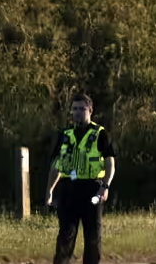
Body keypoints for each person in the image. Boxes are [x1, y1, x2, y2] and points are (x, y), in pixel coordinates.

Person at [46, 93, 116, 264]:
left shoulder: (100, 133)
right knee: (65, 235)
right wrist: (49, 190)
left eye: (82, 109)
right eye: (74, 109)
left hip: (92, 188)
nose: (77, 112)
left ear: (90, 110)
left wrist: (105, 187)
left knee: (92, 236)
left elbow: (110, 164)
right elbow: (56, 165)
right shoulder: (65, 134)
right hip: (68, 188)